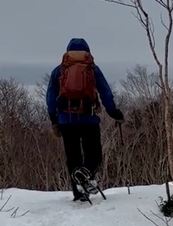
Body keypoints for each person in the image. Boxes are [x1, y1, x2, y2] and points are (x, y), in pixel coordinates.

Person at [47, 38, 124, 201]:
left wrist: (54, 119)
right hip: (88, 119)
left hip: (66, 120)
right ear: (87, 52)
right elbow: (105, 92)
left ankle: (78, 192)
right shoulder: (92, 69)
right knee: (94, 155)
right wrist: (113, 112)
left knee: (73, 156)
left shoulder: (59, 71)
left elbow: (50, 98)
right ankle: (86, 173)